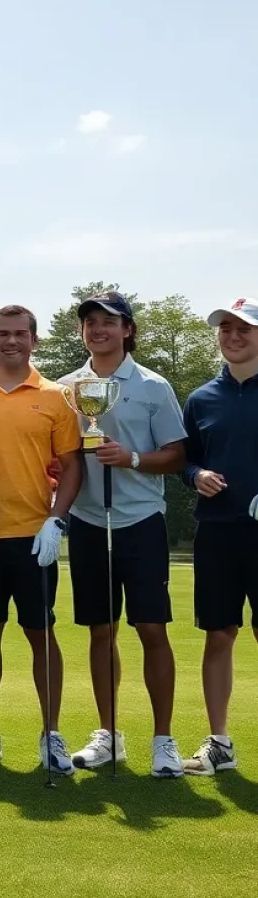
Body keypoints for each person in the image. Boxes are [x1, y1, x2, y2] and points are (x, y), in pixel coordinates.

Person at [59, 291, 187, 778]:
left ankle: (163, 739)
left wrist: (131, 458)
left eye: (109, 322)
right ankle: (108, 734)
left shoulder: (154, 386)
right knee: (100, 630)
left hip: (140, 520)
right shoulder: (67, 387)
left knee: (151, 629)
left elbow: (175, 455)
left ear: (127, 330)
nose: (98, 329)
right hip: (90, 521)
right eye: (90, 322)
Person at [0, 305, 83, 775]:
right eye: (3, 334)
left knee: (40, 633)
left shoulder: (57, 397)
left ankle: (51, 733)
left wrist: (57, 520)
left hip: (33, 537)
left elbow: (73, 467)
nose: (12, 341)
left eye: (20, 334)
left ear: (34, 340)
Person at [181, 297, 258, 775]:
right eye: (225, 329)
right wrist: (196, 476)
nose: (233, 336)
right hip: (216, 531)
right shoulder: (202, 398)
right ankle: (219, 743)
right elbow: (185, 458)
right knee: (219, 634)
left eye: (243, 329)